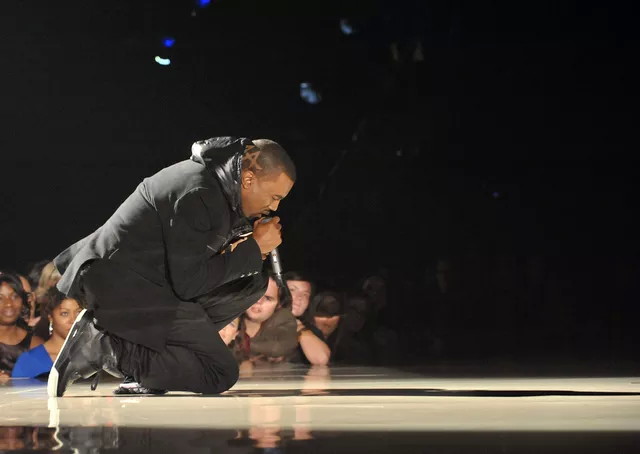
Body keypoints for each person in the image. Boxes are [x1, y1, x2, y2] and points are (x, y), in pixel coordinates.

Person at [48, 136, 295, 397]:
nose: (274, 206)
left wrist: (250, 246)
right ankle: (108, 347)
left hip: (153, 285)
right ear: (248, 180)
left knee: (250, 284)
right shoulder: (198, 192)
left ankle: (146, 365)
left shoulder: (216, 189)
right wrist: (254, 247)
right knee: (219, 373)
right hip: (123, 287)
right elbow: (189, 283)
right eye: (274, 196)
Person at [12, 288, 83, 378]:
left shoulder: (94, 357)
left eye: (79, 313)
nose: (73, 320)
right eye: (65, 313)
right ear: (51, 317)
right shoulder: (29, 361)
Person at [234, 276, 298, 364]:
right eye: (254, 293)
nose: (258, 301)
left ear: (279, 305)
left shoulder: (284, 318)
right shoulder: (228, 315)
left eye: (268, 298)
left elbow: (281, 347)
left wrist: (244, 345)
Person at [0, 273, 43, 379]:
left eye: (14, 296)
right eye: (0, 298)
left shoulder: (35, 344)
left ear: (23, 301)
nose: (9, 303)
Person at [283, 271, 330, 366]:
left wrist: (296, 325)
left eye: (305, 294)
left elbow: (321, 359)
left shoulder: (311, 331)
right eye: (292, 290)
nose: (299, 297)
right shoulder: (257, 323)